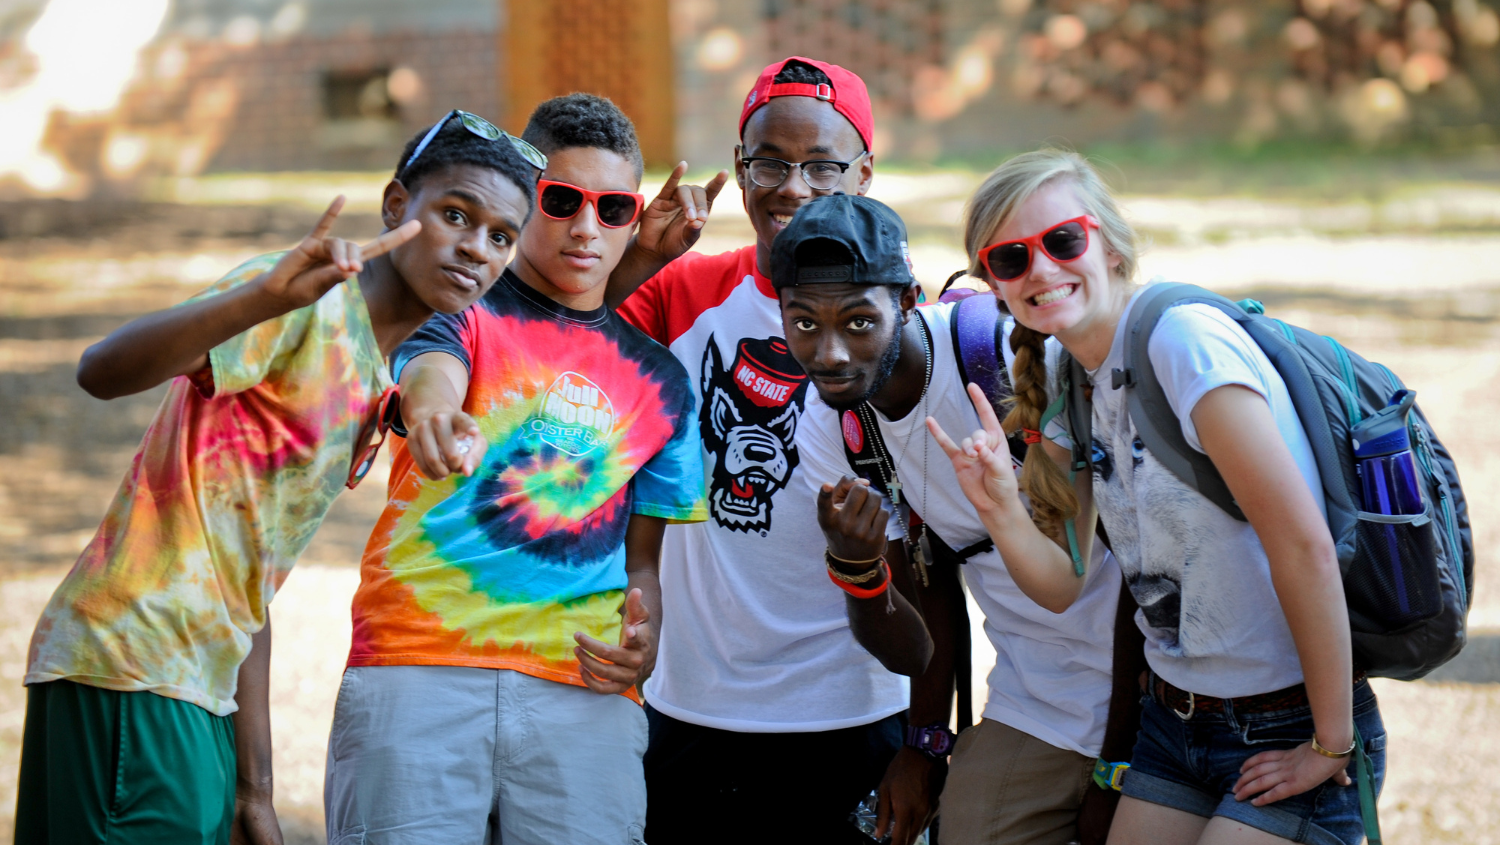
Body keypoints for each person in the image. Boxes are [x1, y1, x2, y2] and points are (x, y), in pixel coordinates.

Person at [16, 109, 542, 845]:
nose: (475, 248)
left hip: (200, 689)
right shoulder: (305, 303)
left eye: (500, 235)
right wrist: (263, 296)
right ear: (397, 206)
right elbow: (100, 371)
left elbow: (250, 579)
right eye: (455, 214)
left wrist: (252, 788)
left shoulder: (368, 373)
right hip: (129, 662)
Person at [930, 149, 1387, 845]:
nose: (1043, 270)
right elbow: (1062, 582)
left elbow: (1304, 546)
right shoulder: (1065, 372)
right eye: (1011, 257)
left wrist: (1330, 744)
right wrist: (997, 506)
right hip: (1174, 724)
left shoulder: (1182, 345)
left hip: (1292, 717)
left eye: (1062, 241)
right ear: (993, 282)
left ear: (1110, 246)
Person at [323, 93, 711, 845]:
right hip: (416, 667)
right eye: (560, 201)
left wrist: (646, 633)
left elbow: (645, 564)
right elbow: (430, 365)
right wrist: (433, 411)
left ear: (636, 215)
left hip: (585, 689)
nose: (585, 228)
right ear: (525, 198)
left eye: (613, 208)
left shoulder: (663, 380)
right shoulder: (457, 308)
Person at [609, 57, 941, 845]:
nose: (793, 187)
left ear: (864, 174)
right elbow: (553, 358)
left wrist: (924, 746)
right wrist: (637, 261)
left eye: (823, 164)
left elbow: (937, 568)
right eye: (770, 162)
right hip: (692, 702)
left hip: (853, 709)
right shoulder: (681, 293)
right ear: (738, 169)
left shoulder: (898, 320)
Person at [772, 193, 1125, 845]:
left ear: (906, 299)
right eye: (803, 323)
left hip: (1151, 697)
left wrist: (1117, 766)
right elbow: (927, 589)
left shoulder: (998, 358)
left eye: (857, 322)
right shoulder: (841, 423)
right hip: (1037, 699)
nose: (829, 352)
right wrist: (926, 744)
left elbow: (1138, 568)